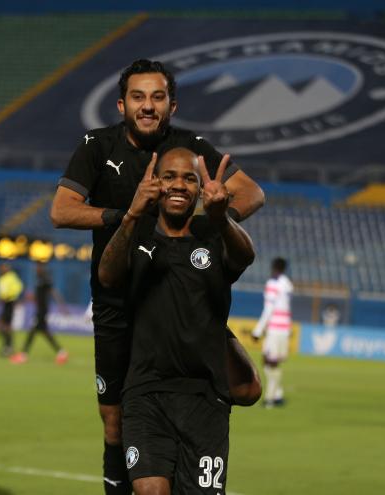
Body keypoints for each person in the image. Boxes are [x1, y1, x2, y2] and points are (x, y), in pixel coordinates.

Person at [51, 58, 263, 493]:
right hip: (118, 301)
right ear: (121, 104)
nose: (148, 106)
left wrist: (209, 225)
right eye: (138, 97)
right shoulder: (97, 145)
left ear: (172, 105)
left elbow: (252, 193)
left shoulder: (188, 147)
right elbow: (61, 210)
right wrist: (129, 217)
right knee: (113, 421)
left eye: (157, 97)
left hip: (182, 296)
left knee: (246, 389)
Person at [98, 147, 255, 494]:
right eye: (169, 176)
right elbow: (107, 276)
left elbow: (245, 256)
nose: (179, 185)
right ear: (155, 182)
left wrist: (221, 218)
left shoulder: (212, 234)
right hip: (145, 393)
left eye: (189, 179)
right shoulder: (137, 234)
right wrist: (131, 215)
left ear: (200, 189)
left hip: (205, 400)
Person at [251, 258, 294, 408]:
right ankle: (277, 394)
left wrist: (258, 330)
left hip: (275, 328)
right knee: (273, 362)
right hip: (284, 327)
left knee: (269, 362)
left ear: (273, 267)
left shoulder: (273, 283)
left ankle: (270, 398)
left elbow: (269, 309)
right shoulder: (287, 283)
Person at [10, 263, 69, 365]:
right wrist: (26, 300)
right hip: (39, 310)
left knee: (33, 331)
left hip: (42, 311)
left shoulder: (45, 279)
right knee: (44, 332)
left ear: (41, 269)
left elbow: (54, 292)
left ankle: (23, 355)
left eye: (37, 268)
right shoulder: (38, 280)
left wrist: (62, 306)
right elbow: (37, 296)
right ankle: (61, 352)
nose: (36, 270)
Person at [0, 263, 23, 357]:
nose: (2, 269)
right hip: (5, 303)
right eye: (1, 268)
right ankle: (8, 346)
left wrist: (9, 296)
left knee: (3, 326)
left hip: (10, 303)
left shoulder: (11, 277)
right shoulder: (0, 279)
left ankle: (8, 346)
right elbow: (2, 292)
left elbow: (18, 288)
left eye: (4, 268)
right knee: (1, 326)